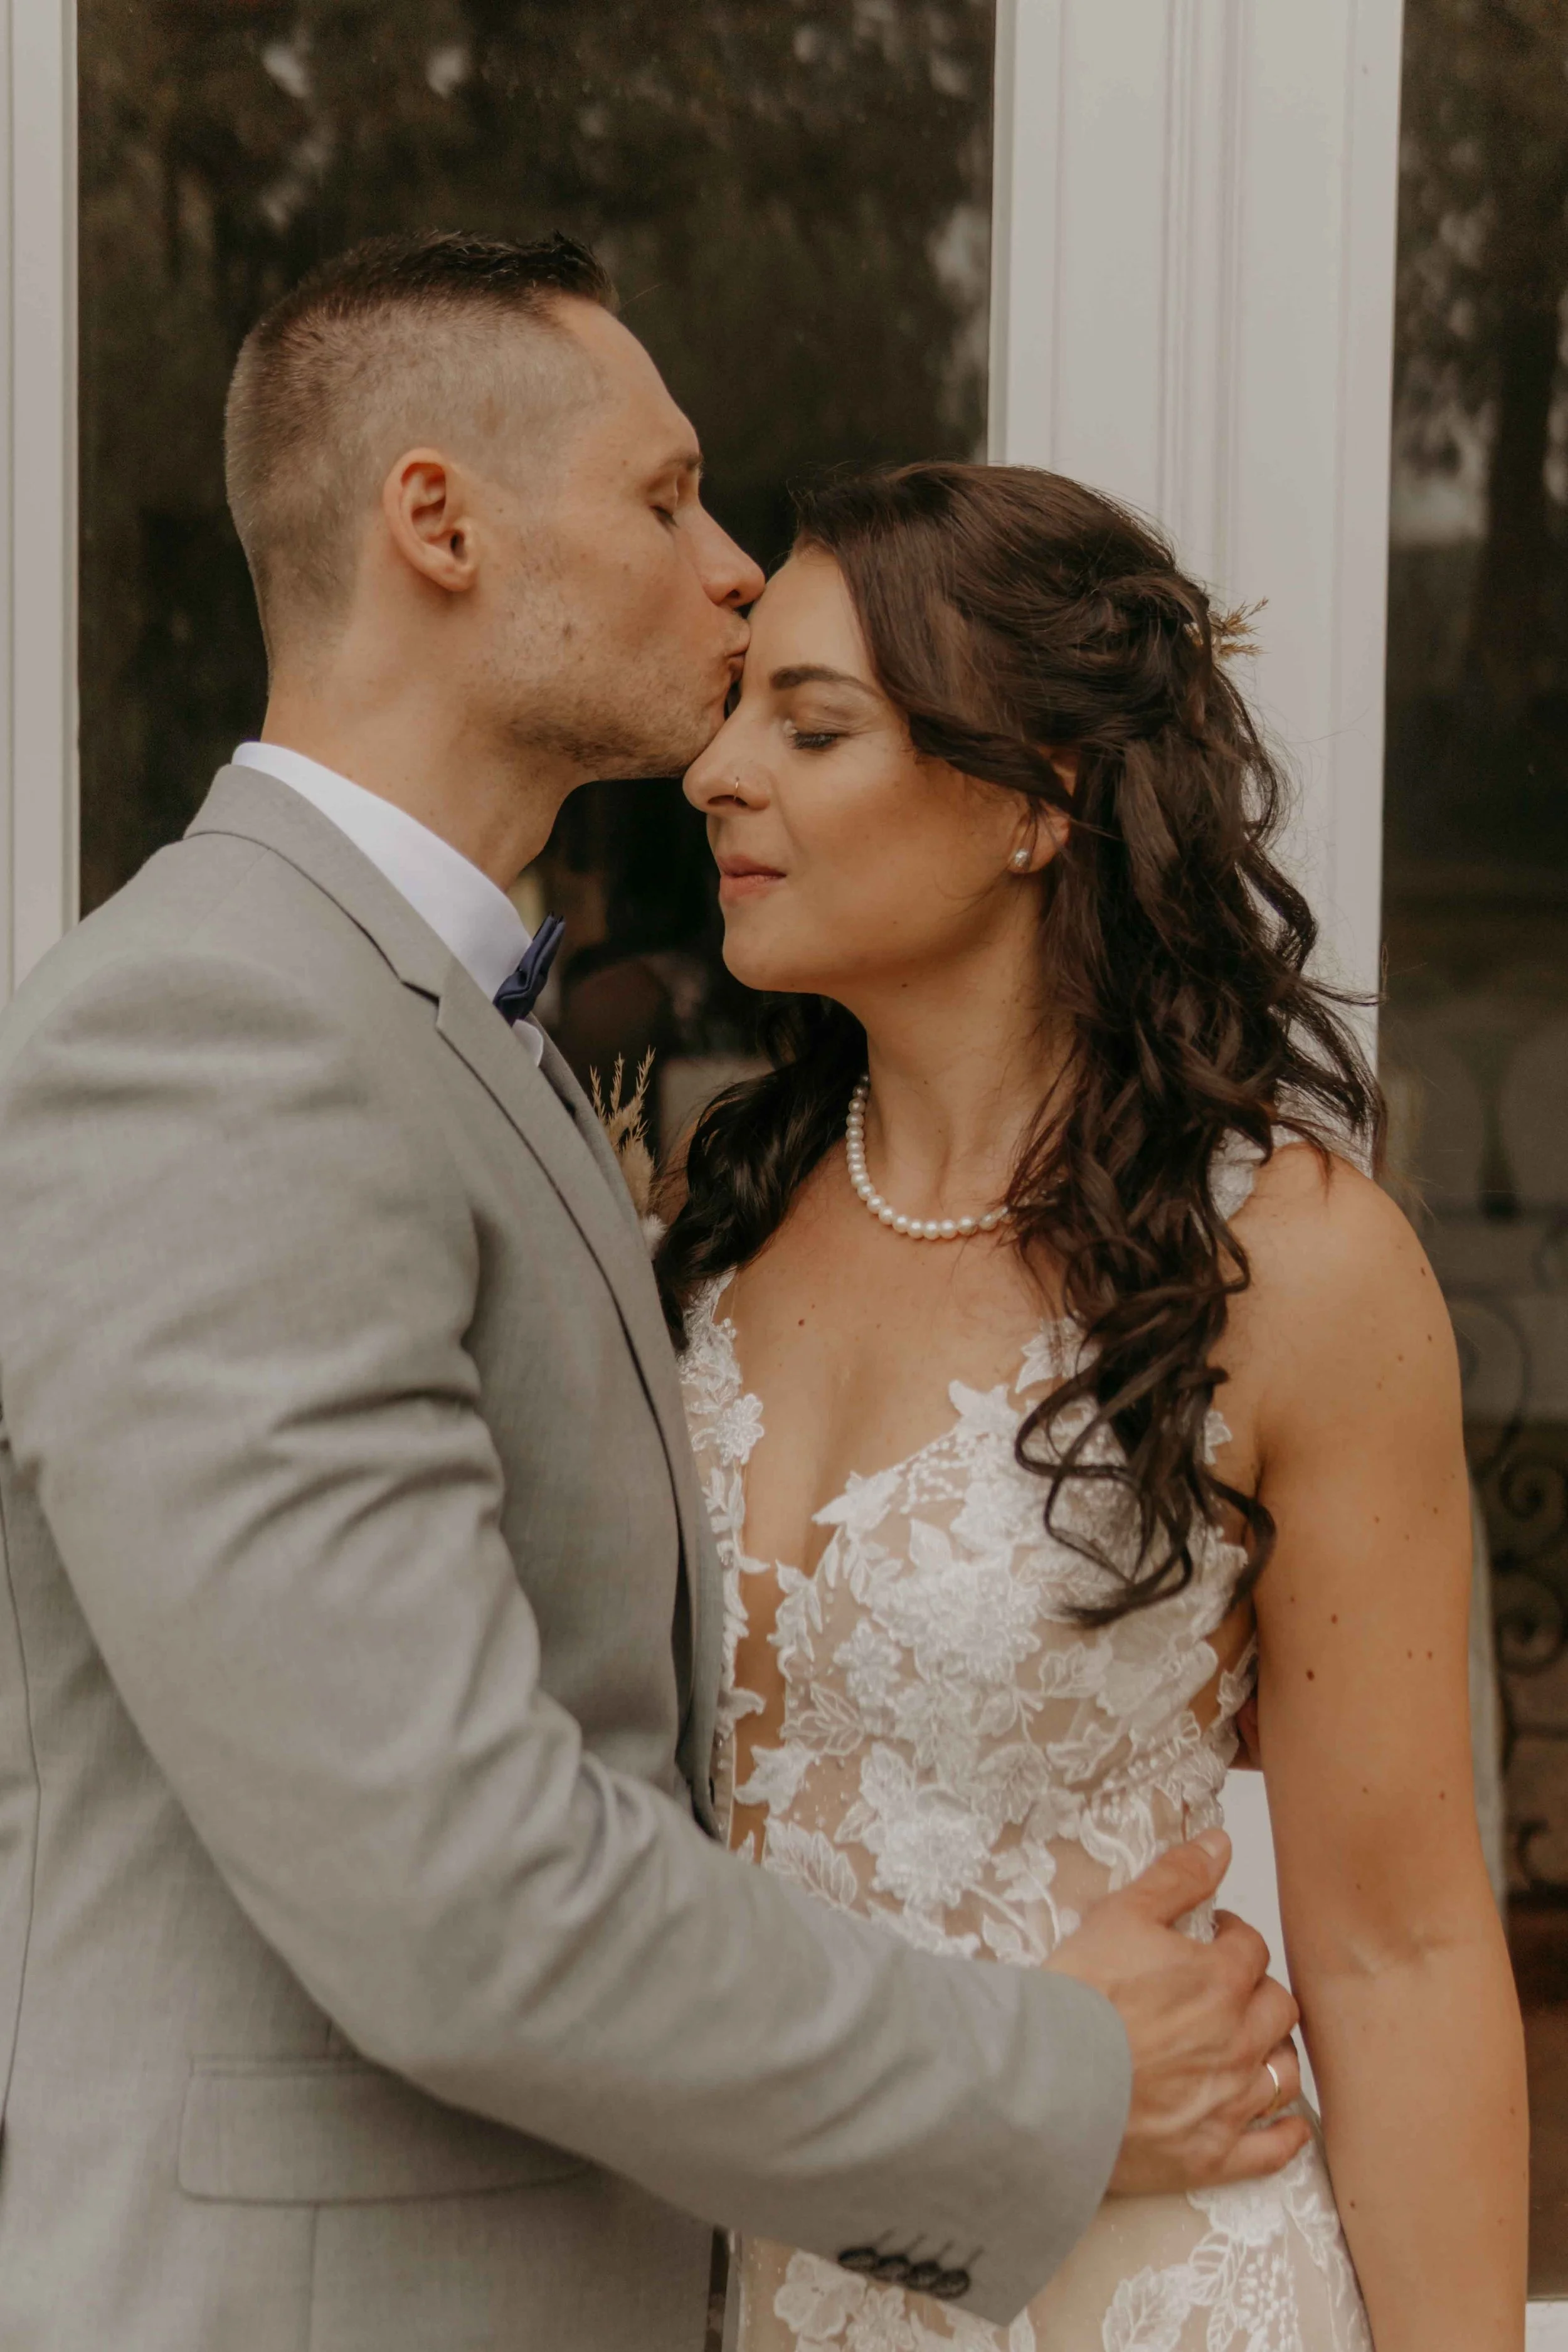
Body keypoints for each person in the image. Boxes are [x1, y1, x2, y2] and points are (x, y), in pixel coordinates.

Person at [0, 237, 1302, 2352]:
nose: (725, 569)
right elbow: (453, 1890)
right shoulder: (216, 1035)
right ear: (436, 522)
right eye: (664, 493)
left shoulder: (437, 1017)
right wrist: (1060, 2075)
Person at [667, 463, 1530, 2351]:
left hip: (1139, 2292)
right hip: (751, 2276)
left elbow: (1393, 1942)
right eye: (734, 712)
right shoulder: (703, 1222)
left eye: (807, 724)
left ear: (1035, 798)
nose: (715, 770)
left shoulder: (1291, 1265)